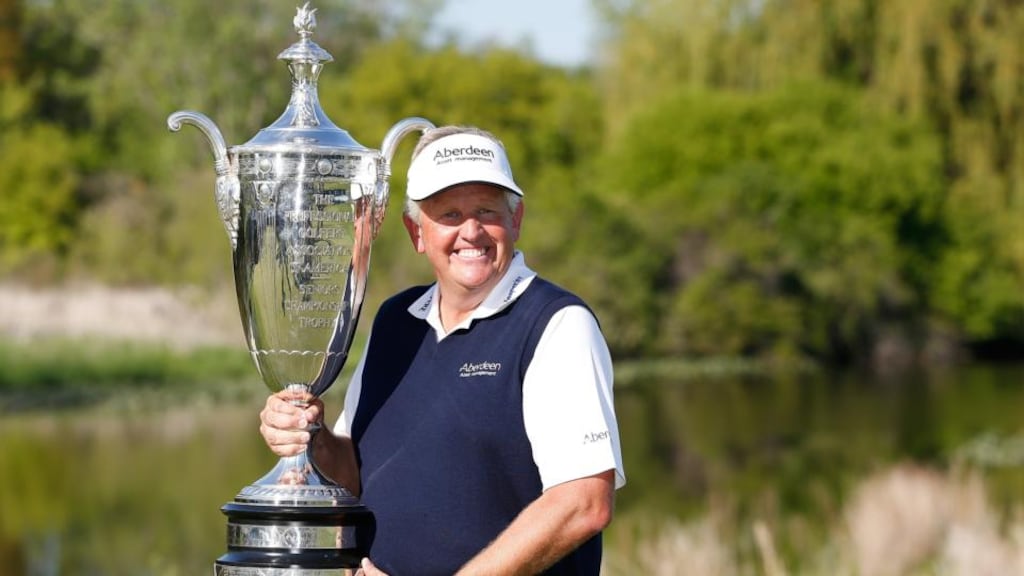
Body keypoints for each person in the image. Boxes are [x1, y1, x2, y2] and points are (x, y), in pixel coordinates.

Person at [259, 125, 626, 575]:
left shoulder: (557, 324)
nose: (471, 231)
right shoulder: (396, 322)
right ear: (417, 232)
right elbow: (355, 475)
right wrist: (308, 437)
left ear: (516, 219)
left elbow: (584, 502)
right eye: (449, 214)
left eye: (487, 210)